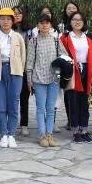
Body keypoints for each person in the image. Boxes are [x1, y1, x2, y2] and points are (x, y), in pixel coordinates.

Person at [0, 7, 27, 148]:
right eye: (3, 19)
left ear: (12, 21)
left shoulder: (18, 37)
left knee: (13, 105)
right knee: (1, 106)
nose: (5, 21)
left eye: (8, 19)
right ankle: (3, 134)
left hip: (15, 72)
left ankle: (11, 134)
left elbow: (23, 56)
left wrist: (19, 70)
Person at [60, 12, 92, 143]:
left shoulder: (88, 39)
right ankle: (75, 131)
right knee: (73, 102)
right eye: (74, 19)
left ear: (84, 22)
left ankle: (84, 130)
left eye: (80, 20)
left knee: (84, 102)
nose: (77, 22)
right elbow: (61, 56)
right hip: (72, 72)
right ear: (70, 22)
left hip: (86, 71)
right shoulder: (65, 38)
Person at [25, 13, 59, 147]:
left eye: (47, 23)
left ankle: (49, 134)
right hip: (38, 79)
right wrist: (29, 80)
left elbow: (64, 57)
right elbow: (29, 63)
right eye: (42, 23)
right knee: (41, 108)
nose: (44, 25)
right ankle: (42, 135)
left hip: (54, 79)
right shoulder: (33, 41)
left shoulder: (56, 41)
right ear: (38, 25)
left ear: (51, 25)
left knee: (50, 108)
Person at [12, 5, 33, 136]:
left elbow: (30, 49)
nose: (17, 15)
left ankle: (24, 124)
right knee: (12, 98)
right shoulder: (8, 29)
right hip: (12, 67)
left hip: (24, 68)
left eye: (19, 13)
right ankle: (12, 122)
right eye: (14, 13)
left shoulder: (29, 31)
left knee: (24, 98)